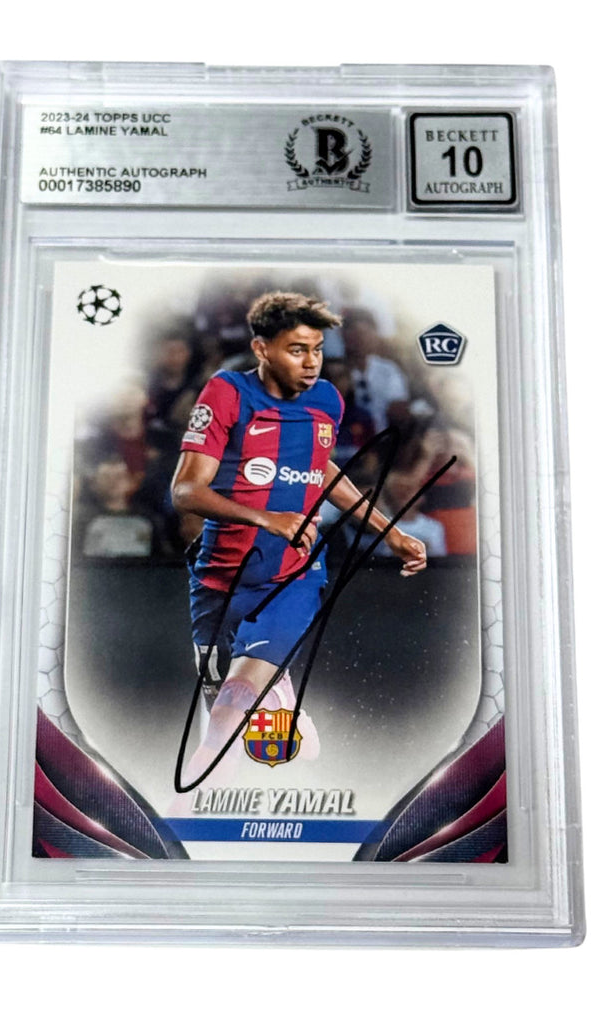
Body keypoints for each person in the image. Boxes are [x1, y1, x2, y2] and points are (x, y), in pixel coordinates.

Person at [170, 291, 427, 795]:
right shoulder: (227, 393)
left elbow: (323, 468)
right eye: (296, 350)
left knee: (230, 709)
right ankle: (282, 712)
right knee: (226, 708)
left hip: (292, 575)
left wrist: (391, 531)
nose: (311, 363)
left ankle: (190, 811)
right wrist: (265, 518)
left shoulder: (326, 399)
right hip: (221, 579)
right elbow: (185, 491)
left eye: (317, 350)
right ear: (261, 349)